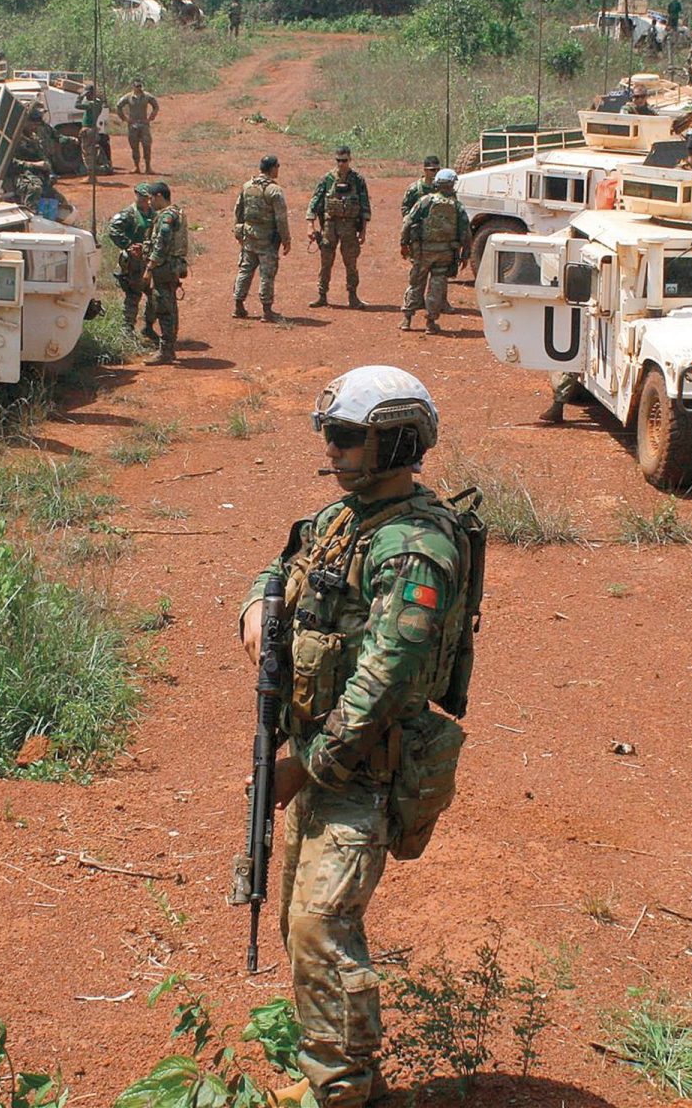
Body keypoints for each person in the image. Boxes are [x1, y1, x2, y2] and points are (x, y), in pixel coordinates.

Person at [239, 364, 475, 1108]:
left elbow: (383, 684)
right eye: (330, 434)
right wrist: (253, 611)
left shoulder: (413, 549)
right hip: (320, 757)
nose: (332, 449)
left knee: (321, 925)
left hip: (362, 771)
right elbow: (280, 570)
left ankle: (342, 1094)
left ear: (396, 442)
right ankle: (330, 1079)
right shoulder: (345, 519)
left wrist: (301, 771)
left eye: (347, 437)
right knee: (301, 924)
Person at [399, 169, 470, 335]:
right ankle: (430, 322)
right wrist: (465, 255)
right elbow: (466, 233)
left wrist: (403, 243)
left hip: (424, 251)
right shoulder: (457, 206)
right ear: (452, 185)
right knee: (437, 285)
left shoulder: (425, 201)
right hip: (445, 253)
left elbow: (408, 222)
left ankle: (407, 318)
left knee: (416, 282)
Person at [306, 146, 370, 309]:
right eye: (338, 161)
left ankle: (353, 296)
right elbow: (315, 202)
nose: (341, 164)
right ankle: (322, 295)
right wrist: (310, 225)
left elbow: (364, 206)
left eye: (344, 161)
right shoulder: (327, 179)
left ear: (350, 160)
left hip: (349, 225)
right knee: (326, 260)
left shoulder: (357, 180)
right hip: (330, 225)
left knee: (351, 261)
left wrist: (363, 231)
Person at [233, 155, 290, 322]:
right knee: (267, 274)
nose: (278, 169)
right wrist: (286, 240)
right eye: (277, 166)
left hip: (249, 236)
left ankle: (238, 305)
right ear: (272, 168)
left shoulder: (247, 186)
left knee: (245, 269)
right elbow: (281, 219)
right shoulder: (274, 191)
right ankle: (267, 310)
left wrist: (238, 232)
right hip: (267, 240)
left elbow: (239, 211)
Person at [144, 181, 189, 364]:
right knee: (170, 306)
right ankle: (168, 348)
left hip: (164, 267)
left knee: (163, 308)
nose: (149, 202)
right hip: (173, 266)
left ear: (159, 196)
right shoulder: (176, 212)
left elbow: (161, 244)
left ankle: (166, 351)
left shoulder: (166, 217)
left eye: (151, 198)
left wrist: (149, 268)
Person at [109, 184, 160, 337]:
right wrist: (128, 245)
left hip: (150, 261)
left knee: (154, 296)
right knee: (133, 296)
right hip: (134, 263)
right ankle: (127, 331)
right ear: (136, 195)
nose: (145, 200)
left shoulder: (154, 213)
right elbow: (113, 230)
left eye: (148, 197)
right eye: (143, 197)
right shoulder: (128, 214)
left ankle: (148, 327)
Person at [116, 79, 160, 174]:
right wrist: (124, 118)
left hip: (144, 125)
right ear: (133, 87)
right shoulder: (128, 97)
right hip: (133, 125)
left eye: (140, 86)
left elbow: (156, 106)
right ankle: (136, 167)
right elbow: (118, 106)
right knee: (134, 146)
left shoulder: (147, 96)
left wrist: (151, 117)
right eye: (136, 86)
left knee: (146, 146)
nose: (138, 88)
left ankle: (148, 167)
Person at [76, 83, 106, 180]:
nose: (86, 96)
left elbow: (77, 105)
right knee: (92, 152)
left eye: (87, 94)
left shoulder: (90, 104)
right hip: (93, 130)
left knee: (87, 153)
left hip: (88, 130)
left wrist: (80, 96)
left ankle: (91, 176)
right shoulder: (98, 103)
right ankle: (92, 175)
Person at [399, 155, 441, 221]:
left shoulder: (440, 188)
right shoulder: (414, 188)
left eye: (438, 170)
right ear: (425, 170)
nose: (436, 172)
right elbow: (405, 208)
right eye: (432, 170)